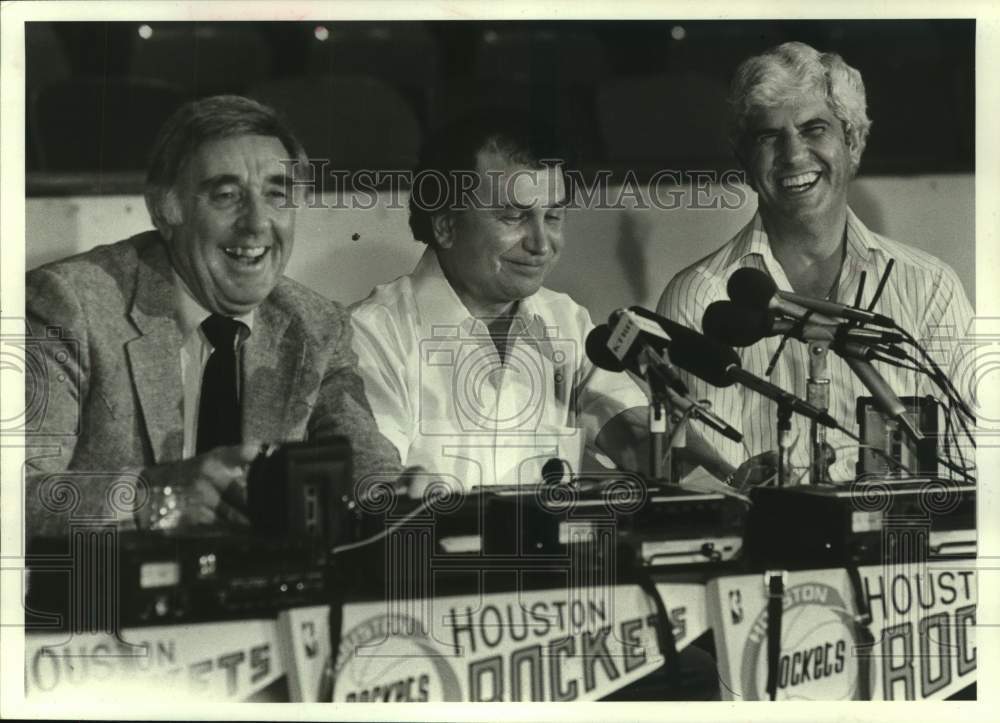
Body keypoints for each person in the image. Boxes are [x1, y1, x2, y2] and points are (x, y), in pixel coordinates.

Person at [25, 95, 401, 537]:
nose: (257, 223)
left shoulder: (314, 326)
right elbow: (17, 498)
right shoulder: (70, 305)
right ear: (167, 207)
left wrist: (403, 496)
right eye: (226, 196)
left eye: (277, 195)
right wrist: (160, 494)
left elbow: (368, 467)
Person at [659, 42, 974, 482]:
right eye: (770, 137)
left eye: (813, 129)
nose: (793, 155)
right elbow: (687, 479)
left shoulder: (931, 288)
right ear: (744, 162)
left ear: (853, 143)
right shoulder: (698, 295)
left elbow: (972, 467)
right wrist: (738, 483)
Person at [349, 112, 656, 490]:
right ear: (446, 225)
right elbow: (378, 484)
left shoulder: (567, 320)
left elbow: (637, 445)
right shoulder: (371, 335)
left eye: (554, 216)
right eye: (514, 217)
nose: (542, 245)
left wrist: (666, 435)